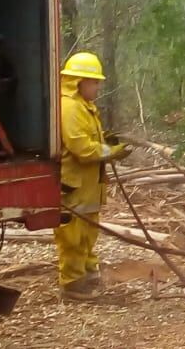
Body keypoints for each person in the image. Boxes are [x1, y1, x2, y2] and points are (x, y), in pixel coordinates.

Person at [55, 51, 130, 301]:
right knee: (73, 235)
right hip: (73, 184)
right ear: (80, 81)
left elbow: (88, 139)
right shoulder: (69, 107)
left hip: (88, 184)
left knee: (88, 231)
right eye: (95, 82)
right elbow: (81, 148)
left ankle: (86, 273)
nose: (98, 87)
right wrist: (111, 152)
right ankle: (72, 283)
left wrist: (105, 139)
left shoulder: (84, 106)